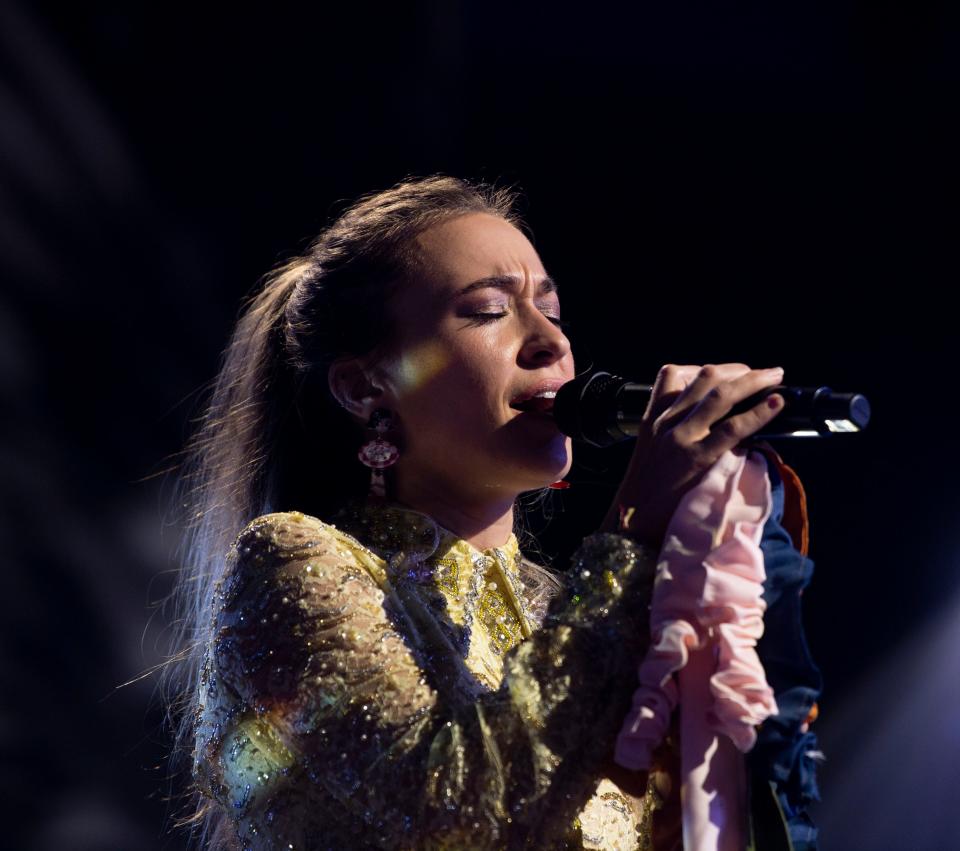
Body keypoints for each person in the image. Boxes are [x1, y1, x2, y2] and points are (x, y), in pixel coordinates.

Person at [161, 174, 821, 850]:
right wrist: (634, 528)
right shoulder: (295, 562)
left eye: (552, 312)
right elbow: (451, 810)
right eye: (486, 310)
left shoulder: (562, 612)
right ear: (366, 386)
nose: (549, 343)